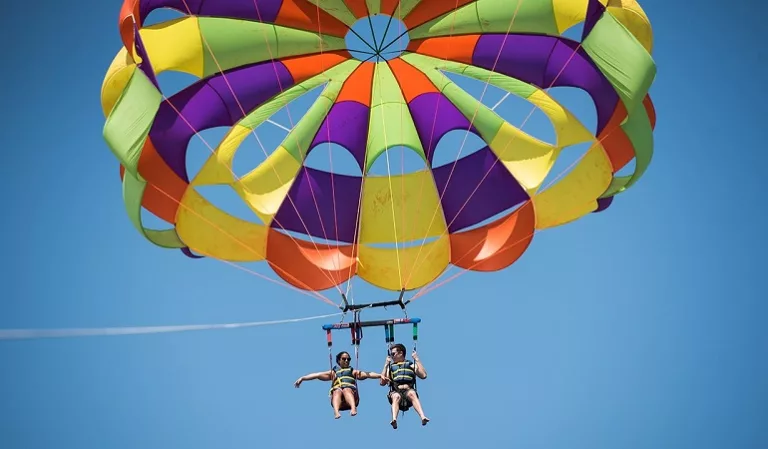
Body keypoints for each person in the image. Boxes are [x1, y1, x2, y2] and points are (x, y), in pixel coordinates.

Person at [294, 351, 387, 419]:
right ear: (338, 360)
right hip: (339, 398)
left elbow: (367, 374)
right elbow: (317, 375)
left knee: (346, 389)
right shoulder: (334, 373)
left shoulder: (353, 371)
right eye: (344, 359)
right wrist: (303, 378)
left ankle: (353, 408)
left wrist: (380, 375)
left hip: (351, 395)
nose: (347, 361)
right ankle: (336, 411)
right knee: (337, 391)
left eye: (348, 359)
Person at [380, 343, 429, 429]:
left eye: (393, 354)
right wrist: (386, 364)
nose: (391, 356)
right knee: (396, 396)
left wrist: (417, 359)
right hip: (396, 390)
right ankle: (394, 419)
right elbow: (382, 382)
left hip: (408, 390)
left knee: (412, 394)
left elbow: (424, 375)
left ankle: (423, 417)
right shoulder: (390, 368)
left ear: (401, 353)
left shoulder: (410, 365)